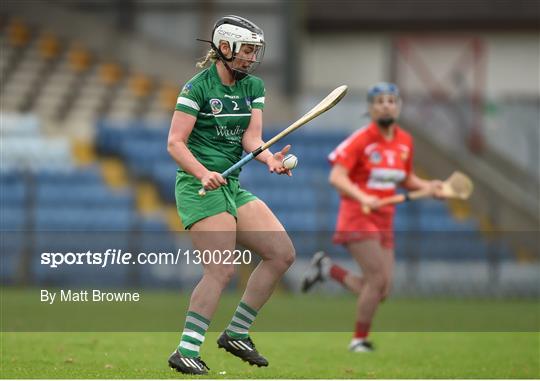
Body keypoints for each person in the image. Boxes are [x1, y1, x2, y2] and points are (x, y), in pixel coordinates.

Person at [166, 15, 295, 375]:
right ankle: (186, 349)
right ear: (224, 48)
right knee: (221, 269)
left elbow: (251, 139)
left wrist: (270, 158)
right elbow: (174, 143)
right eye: (246, 51)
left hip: (232, 185)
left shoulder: (253, 86)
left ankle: (236, 332)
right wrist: (203, 172)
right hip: (199, 187)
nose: (252, 58)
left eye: (255, 51)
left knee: (281, 253)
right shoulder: (197, 89)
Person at [301, 82, 444, 352]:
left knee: (382, 290)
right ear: (371, 108)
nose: (386, 105)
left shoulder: (405, 142)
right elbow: (337, 177)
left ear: (398, 106)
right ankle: (359, 340)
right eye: (379, 101)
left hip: (384, 220)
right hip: (358, 215)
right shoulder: (361, 140)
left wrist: (430, 187)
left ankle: (327, 269)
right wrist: (363, 197)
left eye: (391, 100)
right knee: (376, 282)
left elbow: (406, 178)